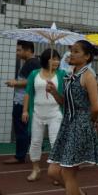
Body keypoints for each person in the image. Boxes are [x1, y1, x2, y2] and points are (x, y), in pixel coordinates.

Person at [46, 40, 98, 195]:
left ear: (86, 57)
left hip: (79, 125)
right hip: (67, 124)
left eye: (76, 51)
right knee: (53, 171)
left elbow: (96, 107)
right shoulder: (71, 75)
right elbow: (65, 103)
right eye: (70, 50)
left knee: (68, 172)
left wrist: (90, 122)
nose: (71, 54)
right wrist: (54, 93)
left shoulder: (88, 76)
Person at [22, 48, 65, 182]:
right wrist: (25, 110)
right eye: (54, 58)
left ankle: (56, 172)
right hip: (37, 113)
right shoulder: (34, 74)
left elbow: (64, 96)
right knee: (35, 142)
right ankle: (36, 169)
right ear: (46, 59)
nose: (57, 61)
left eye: (58, 59)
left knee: (55, 142)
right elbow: (28, 92)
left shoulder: (62, 74)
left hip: (55, 113)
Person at [3, 41, 40, 166]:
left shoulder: (32, 63)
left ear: (28, 50)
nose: (17, 53)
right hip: (23, 100)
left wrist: (14, 83)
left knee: (21, 129)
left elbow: (31, 82)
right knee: (25, 129)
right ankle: (25, 152)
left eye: (19, 50)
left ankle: (20, 156)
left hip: (23, 101)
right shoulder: (31, 63)